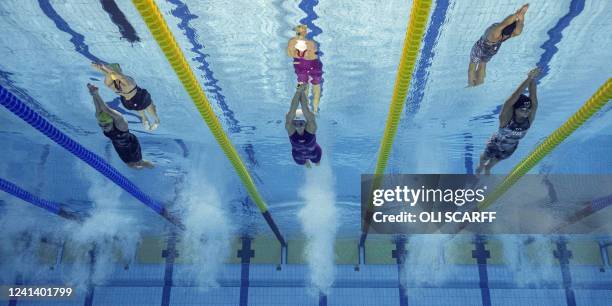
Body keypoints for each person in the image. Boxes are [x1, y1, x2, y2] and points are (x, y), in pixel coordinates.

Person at [476, 68, 540, 175]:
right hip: (495, 144)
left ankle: (488, 168)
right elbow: (510, 101)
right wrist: (528, 79)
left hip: (510, 148)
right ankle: (481, 165)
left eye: (528, 109)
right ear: (515, 109)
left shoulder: (529, 119)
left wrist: (533, 79)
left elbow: (533, 98)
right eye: (522, 109)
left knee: (495, 161)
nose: (526, 111)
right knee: (485, 157)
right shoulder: (506, 119)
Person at [87, 83, 154, 169]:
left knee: (139, 162)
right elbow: (98, 107)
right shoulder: (100, 119)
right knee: (130, 165)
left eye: (106, 124)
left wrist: (96, 93)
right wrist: (93, 93)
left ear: (111, 121)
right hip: (119, 146)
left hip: (131, 144)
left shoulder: (121, 123)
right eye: (101, 125)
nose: (103, 127)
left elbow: (105, 108)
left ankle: (153, 167)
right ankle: (140, 168)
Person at [468, 4, 528, 87]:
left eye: (508, 35)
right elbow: (505, 23)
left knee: (480, 69)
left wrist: (521, 14)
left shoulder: (512, 32)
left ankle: (475, 84)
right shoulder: (495, 33)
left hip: (489, 49)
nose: (507, 37)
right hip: (482, 48)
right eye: (506, 35)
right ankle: (471, 84)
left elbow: (517, 28)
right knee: (473, 67)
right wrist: (516, 15)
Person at [91, 62, 160, 130]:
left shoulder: (128, 82)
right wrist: (100, 68)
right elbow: (110, 74)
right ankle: (145, 119)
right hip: (129, 100)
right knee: (141, 110)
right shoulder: (110, 82)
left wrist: (104, 67)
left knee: (149, 110)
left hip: (138, 96)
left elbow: (117, 75)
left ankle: (156, 121)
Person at [287, 25, 323, 113]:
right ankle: (314, 108)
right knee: (312, 86)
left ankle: (312, 108)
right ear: (305, 33)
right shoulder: (309, 43)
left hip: (307, 65)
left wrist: (300, 54)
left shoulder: (293, 42)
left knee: (304, 85)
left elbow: (290, 54)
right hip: (310, 65)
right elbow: (313, 55)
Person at [285, 83, 322, 168]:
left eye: (301, 123)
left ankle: (313, 162)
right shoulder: (290, 129)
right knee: (303, 163)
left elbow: (305, 108)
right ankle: (306, 162)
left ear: (306, 123)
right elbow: (292, 111)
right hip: (298, 155)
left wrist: (300, 91)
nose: (298, 126)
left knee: (317, 162)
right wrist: (298, 91)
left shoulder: (311, 128)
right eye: (295, 123)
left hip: (314, 153)